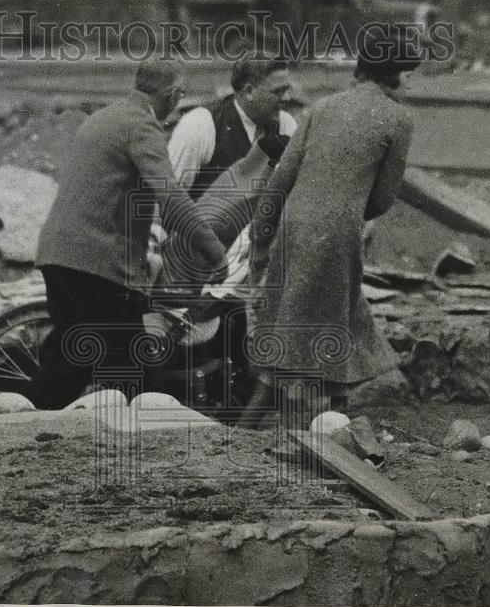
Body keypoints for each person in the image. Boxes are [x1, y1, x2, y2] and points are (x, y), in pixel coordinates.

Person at [240, 28, 417, 425]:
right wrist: (348, 207)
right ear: (393, 73)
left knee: (308, 323)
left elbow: (280, 179)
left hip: (293, 225)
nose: (411, 81)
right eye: (408, 72)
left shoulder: (323, 107)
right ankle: (274, 431)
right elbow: (384, 199)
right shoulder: (398, 119)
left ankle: (334, 421)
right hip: (337, 233)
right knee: (314, 333)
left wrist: (261, 239)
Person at [34, 60, 228, 407]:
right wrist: (213, 252)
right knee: (130, 370)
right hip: (96, 263)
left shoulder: (105, 118)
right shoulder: (141, 127)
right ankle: (138, 445)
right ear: (171, 94)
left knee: (72, 359)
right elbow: (171, 198)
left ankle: (22, 423)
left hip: (58, 254)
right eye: (179, 95)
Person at [168, 54, 299, 197]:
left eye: (287, 90)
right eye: (278, 92)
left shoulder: (286, 123)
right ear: (249, 91)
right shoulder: (200, 123)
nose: (287, 98)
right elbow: (169, 197)